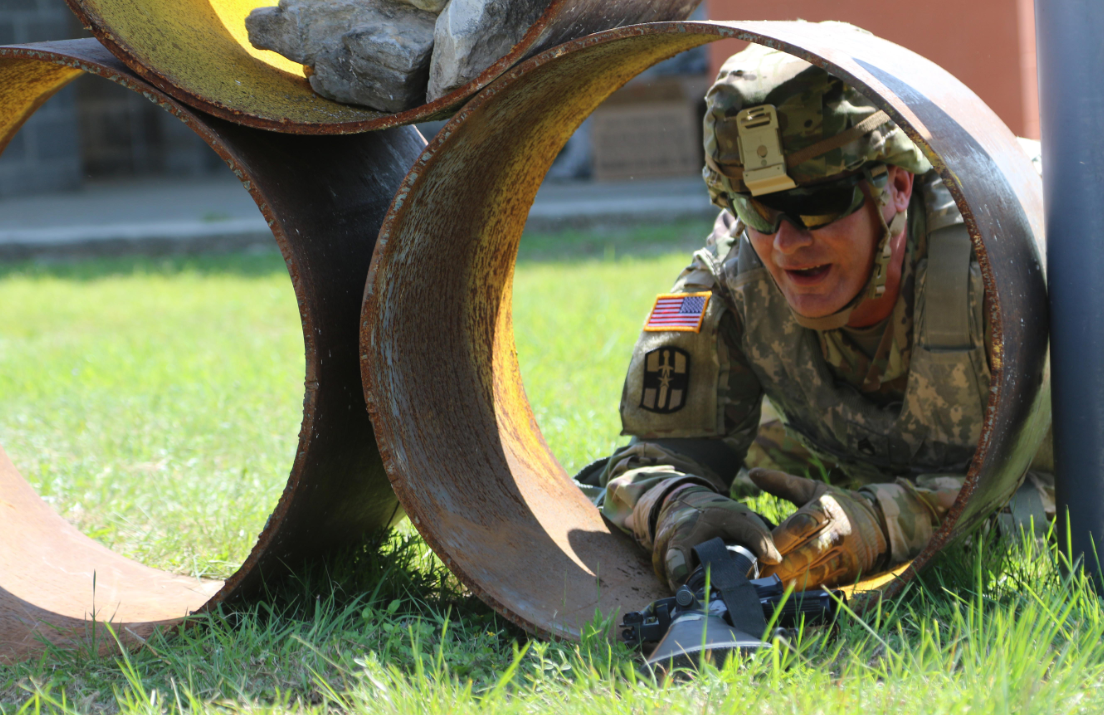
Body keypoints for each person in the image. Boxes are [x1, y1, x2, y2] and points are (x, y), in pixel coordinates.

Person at [575, 41, 1053, 593]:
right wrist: (682, 510)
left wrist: (890, 523)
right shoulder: (733, 280)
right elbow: (651, 459)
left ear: (896, 186)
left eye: (818, 203)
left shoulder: (1015, 261)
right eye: (756, 207)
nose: (785, 242)